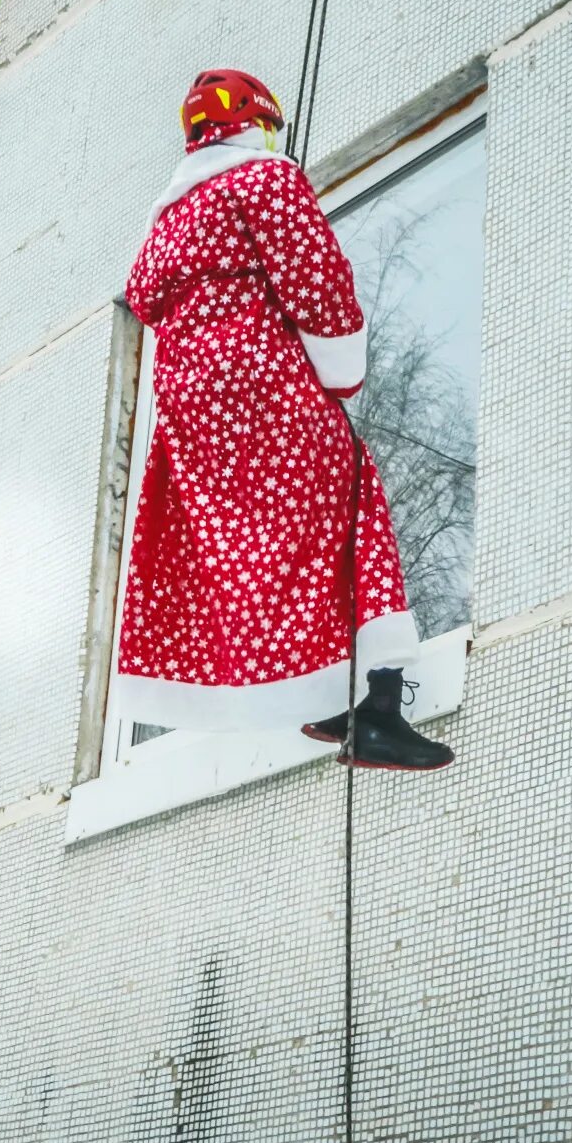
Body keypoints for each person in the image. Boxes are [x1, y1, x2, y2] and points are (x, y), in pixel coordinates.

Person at [118, 69, 453, 771]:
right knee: (353, 500)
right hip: (266, 393)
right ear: (256, 122)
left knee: (266, 549)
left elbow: (145, 299)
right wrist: (342, 372)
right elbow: (319, 281)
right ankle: (381, 705)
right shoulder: (265, 181)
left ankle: (322, 696)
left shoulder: (166, 226)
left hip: (194, 427)